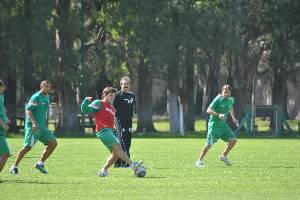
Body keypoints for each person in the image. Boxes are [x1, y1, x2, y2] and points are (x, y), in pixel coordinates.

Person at [81, 87, 143, 177]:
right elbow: (85, 110)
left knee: (116, 154)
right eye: (110, 95)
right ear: (104, 95)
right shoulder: (98, 103)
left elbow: (112, 122)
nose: (112, 98)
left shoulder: (113, 109)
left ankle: (103, 171)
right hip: (103, 130)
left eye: (114, 96)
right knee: (118, 147)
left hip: (111, 131)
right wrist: (86, 101)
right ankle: (133, 165)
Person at [10, 80, 57, 174]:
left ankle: (40, 163)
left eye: (50, 87)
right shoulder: (36, 97)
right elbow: (29, 111)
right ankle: (14, 167)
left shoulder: (47, 96)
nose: (49, 88)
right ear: (42, 87)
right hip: (32, 126)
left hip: (42, 127)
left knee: (53, 143)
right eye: (47, 86)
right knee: (27, 147)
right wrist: (34, 123)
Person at [195, 84, 238, 168]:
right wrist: (218, 115)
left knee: (233, 140)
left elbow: (230, 107)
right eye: (225, 92)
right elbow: (208, 110)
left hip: (223, 126)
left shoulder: (230, 100)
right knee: (209, 144)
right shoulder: (218, 99)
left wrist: (234, 118)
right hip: (214, 125)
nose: (226, 94)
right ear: (222, 92)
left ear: (230, 93)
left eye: (228, 92)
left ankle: (224, 156)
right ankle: (199, 161)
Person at [113, 76, 136, 168]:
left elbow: (133, 108)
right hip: (119, 121)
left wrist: (133, 113)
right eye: (124, 84)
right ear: (121, 85)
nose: (125, 85)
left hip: (128, 121)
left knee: (128, 141)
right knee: (121, 140)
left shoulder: (132, 96)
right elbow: (113, 108)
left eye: (127, 84)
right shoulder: (118, 96)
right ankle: (125, 161)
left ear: (129, 85)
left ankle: (121, 162)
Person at [0, 80, 11, 183]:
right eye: (2, 86)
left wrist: (5, 118)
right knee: (6, 153)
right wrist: (3, 124)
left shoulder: (1, 96)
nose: (4, 88)